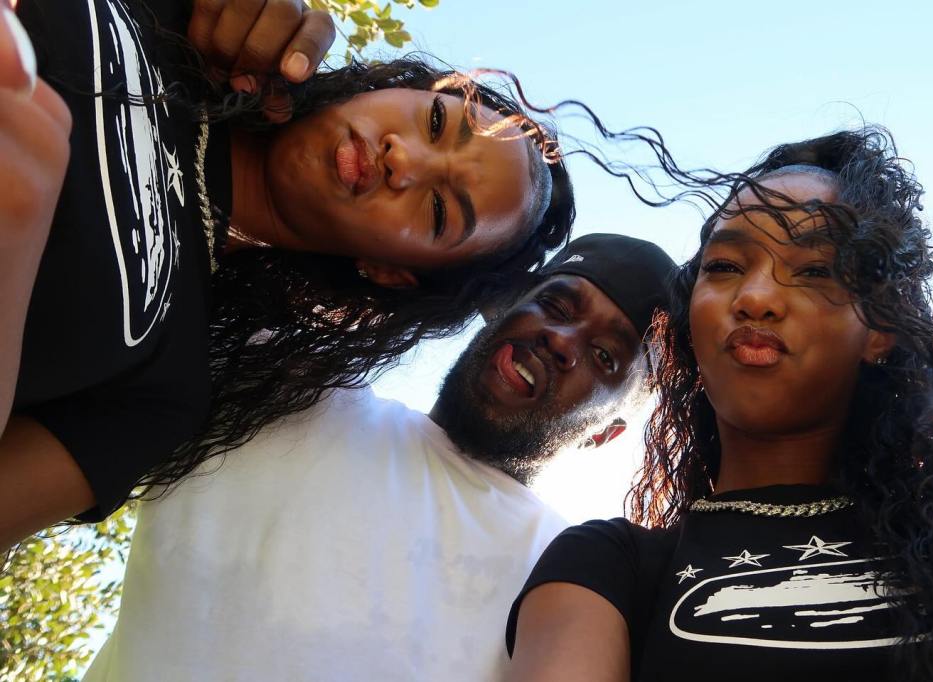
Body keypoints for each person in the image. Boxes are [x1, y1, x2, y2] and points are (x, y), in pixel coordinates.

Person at [0, 0, 575, 551]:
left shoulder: (160, 395)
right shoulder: (191, 21)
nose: (405, 160)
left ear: (391, 272)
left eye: (439, 212)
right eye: (433, 121)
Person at [506, 130, 933, 681]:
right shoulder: (609, 564)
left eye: (813, 271)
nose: (755, 297)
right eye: (726, 266)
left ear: (880, 329)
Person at [83, 233, 676, 682]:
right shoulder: (282, 388)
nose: (561, 340)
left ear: (605, 435)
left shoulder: (577, 581)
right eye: (557, 305)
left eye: (604, 356)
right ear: (502, 310)